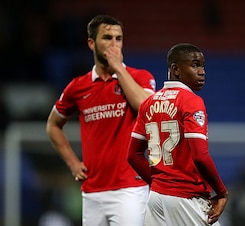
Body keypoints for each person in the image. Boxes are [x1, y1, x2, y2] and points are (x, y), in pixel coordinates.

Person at [46, 15, 156, 226]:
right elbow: (53, 125)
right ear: (91, 43)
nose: (114, 44)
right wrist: (72, 162)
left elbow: (147, 108)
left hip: (129, 190)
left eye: (118, 38)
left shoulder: (140, 76)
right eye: (107, 38)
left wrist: (119, 69)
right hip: (92, 192)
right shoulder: (78, 87)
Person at [127, 43, 228, 226]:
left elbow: (133, 155)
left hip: (156, 198)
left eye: (203, 66)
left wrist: (160, 183)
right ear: (175, 69)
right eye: (195, 65)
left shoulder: (148, 103)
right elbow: (200, 156)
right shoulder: (191, 101)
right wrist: (222, 192)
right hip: (186, 197)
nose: (202, 71)